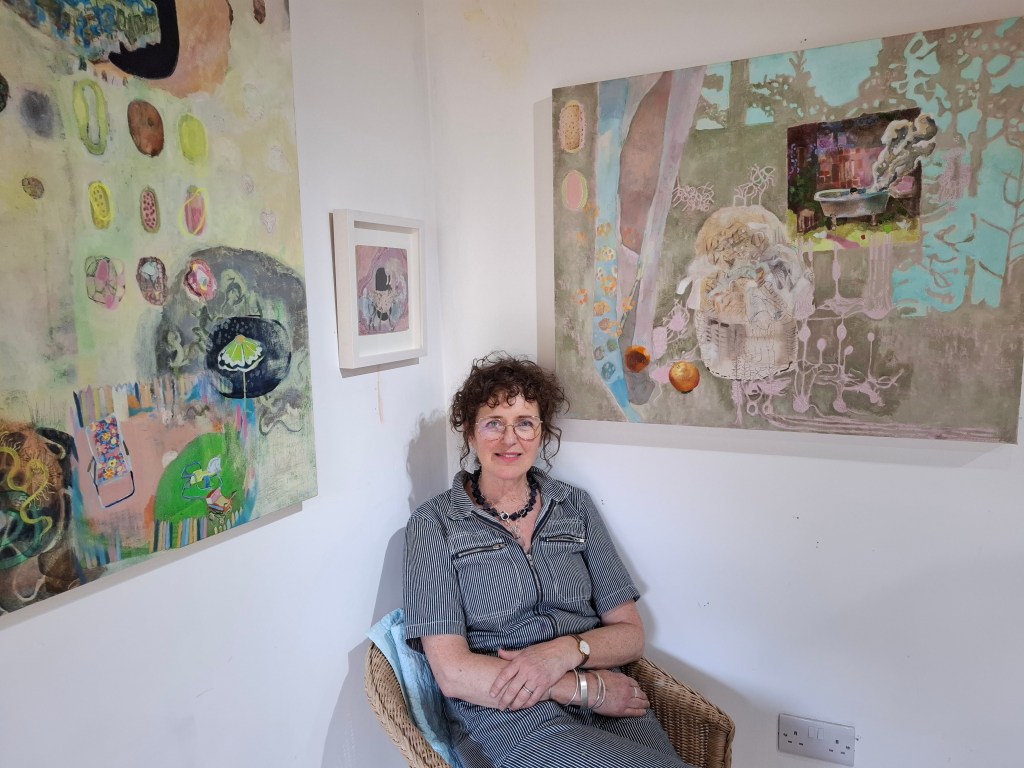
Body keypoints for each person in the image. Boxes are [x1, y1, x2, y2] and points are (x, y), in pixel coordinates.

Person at [404, 352, 693, 768]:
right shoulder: (434, 524)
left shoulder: (575, 506)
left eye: (524, 423)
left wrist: (565, 652)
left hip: (607, 693)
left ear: (542, 432)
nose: (510, 440)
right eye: (493, 423)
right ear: (469, 433)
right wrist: (573, 686)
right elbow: (452, 673)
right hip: (506, 708)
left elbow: (630, 634)